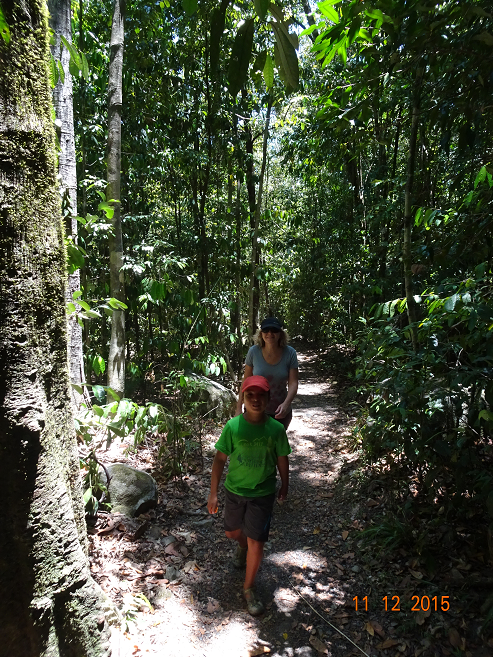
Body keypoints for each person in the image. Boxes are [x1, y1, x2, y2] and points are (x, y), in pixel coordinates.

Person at [207, 375, 291, 616]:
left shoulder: (276, 429)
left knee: (257, 540)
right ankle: (241, 546)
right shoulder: (233, 426)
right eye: (250, 395)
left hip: (262, 493)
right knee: (232, 532)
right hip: (234, 490)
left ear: (268, 398)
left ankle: (249, 588)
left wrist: (285, 484)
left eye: (260, 395)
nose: (255, 399)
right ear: (243, 398)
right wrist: (213, 493)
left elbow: (282, 458)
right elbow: (220, 460)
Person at [236, 317, 298, 430]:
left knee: (276, 441)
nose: (270, 333)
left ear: (280, 334)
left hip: (280, 411)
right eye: (266, 330)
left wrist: (286, 404)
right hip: (254, 409)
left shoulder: (290, 353)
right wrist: (239, 407)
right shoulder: (253, 352)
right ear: (261, 333)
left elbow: (293, 383)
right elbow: (246, 381)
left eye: (274, 330)